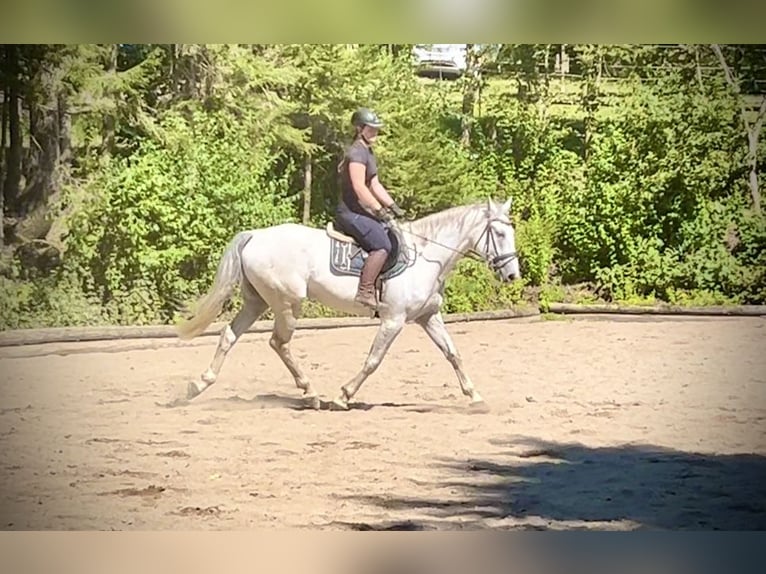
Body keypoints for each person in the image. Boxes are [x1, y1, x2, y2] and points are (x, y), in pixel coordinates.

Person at [334, 107, 405, 310]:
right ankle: (365, 291)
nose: (375, 132)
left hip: (360, 210)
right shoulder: (356, 152)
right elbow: (359, 187)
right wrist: (378, 209)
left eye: (376, 129)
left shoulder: (367, 151)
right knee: (382, 245)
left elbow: (375, 184)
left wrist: (392, 205)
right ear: (359, 129)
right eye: (371, 128)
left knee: (391, 232)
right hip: (349, 212)